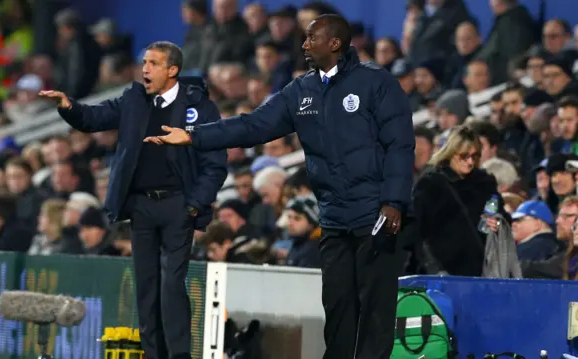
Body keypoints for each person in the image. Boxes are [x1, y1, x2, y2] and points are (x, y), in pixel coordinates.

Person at [147, 14, 414, 359]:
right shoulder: (301, 91)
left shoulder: (375, 83)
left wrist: (394, 200)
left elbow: (400, 145)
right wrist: (196, 136)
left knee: (376, 309)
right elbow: (252, 125)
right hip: (333, 217)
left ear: (334, 43)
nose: (303, 45)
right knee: (337, 307)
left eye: (311, 38)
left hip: (374, 213)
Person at [39, 41, 227, 359]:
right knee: (146, 288)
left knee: (171, 285)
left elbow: (216, 163)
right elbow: (94, 118)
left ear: (173, 70)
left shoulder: (199, 106)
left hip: (178, 205)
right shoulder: (134, 100)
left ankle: (179, 355)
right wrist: (67, 106)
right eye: (144, 62)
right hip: (141, 207)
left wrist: (195, 204)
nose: (145, 69)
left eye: (153, 63)